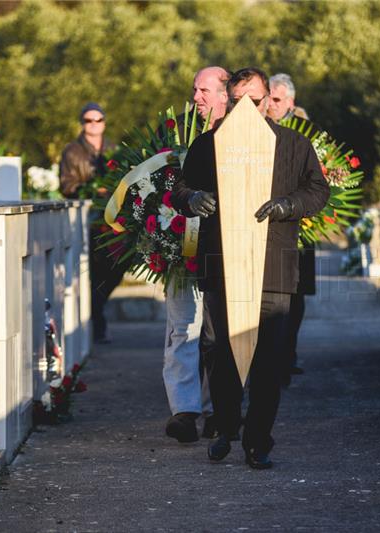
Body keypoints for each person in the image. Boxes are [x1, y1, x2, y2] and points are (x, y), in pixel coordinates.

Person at [172, 67, 329, 469]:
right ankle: (225, 428)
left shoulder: (294, 144)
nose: (248, 108)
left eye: (255, 101)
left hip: (273, 268)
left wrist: (287, 205)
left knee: (269, 359)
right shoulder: (208, 145)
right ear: (230, 100)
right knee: (220, 351)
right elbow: (181, 189)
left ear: (267, 102)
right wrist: (193, 200)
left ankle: (258, 440)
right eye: (239, 100)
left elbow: (317, 190)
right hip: (221, 266)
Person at [163, 66, 230, 444]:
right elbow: (173, 187)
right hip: (183, 246)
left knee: (218, 336)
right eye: (194, 90)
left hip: (224, 251)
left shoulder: (242, 138)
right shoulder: (176, 131)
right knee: (183, 329)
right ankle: (185, 412)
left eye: (205, 90)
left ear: (226, 95)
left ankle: (220, 411)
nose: (196, 98)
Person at [60, 102, 126, 345]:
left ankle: (96, 312)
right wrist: (90, 190)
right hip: (88, 219)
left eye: (98, 120)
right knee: (96, 271)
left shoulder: (114, 149)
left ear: (104, 123)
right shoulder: (72, 152)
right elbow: (66, 185)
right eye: (89, 120)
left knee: (117, 267)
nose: (93, 124)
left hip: (113, 218)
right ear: (82, 123)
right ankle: (97, 323)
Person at [268, 73, 317, 386]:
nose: (271, 105)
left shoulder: (308, 133)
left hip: (301, 225)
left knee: (296, 294)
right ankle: (274, 356)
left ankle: (288, 353)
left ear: (291, 102)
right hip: (274, 226)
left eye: (277, 99)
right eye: (268, 99)